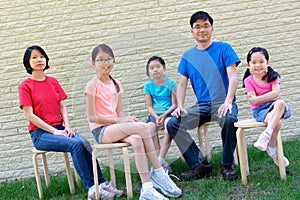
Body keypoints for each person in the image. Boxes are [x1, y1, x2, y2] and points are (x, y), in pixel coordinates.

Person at [18, 45, 123, 199]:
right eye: (34, 57)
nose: (39, 60)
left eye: (41, 56)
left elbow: (62, 105)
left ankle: (101, 184)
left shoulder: (53, 82)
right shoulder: (25, 86)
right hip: (40, 134)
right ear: (28, 62)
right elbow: (30, 115)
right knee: (75, 144)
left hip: (60, 128)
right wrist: (54, 131)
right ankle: (92, 189)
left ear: (46, 59)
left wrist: (67, 126)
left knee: (85, 143)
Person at [84, 44, 182, 200]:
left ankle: (147, 188)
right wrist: (120, 121)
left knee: (137, 140)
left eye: (108, 59)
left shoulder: (116, 84)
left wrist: (127, 120)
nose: (105, 63)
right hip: (101, 131)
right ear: (93, 63)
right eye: (100, 60)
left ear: (114, 62)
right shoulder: (92, 86)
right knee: (144, 127)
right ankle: (159, 173)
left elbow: (120, 112)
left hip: (115, 127)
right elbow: (92, 118)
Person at [166, 11, 240, 180]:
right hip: (202, 106)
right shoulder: (187, 57)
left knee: (230, 121)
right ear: (192, 31)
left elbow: (233, 76)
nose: (202, 30)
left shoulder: (224, 48)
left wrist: (229, 101)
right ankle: (199, 165)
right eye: (197, 27)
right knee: (173, 123)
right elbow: (182, 83)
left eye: (205, 25)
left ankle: (227, 164)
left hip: (222, 103)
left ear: (212, 28)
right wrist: (180, 106)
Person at [243, 47, 290, 167]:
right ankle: (272, 149)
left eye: (261, 62)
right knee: (277, 122)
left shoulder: (273, 76)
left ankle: (265, 136)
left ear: (267, 63)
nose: (257, 65)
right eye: (253, 62)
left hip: (275, 107)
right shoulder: (248, 81)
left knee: (280, 103)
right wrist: (272, 96)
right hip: (260, 111)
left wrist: (258, 99)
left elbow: (273, 95)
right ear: (248, 65)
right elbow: (273, 95)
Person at [144, 56, 177, 174]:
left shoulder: (171, 83)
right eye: (152, 68)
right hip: (155, 115)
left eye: (158, 67)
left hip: (169, 113)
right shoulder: (148, 86)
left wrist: (164, 115)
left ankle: (160, 159)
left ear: (164, 68)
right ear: (149, 71)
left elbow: (174, 104)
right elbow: (149, 107)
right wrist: (157, 117)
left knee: (169, 128)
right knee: (148, 130)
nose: (155, 70)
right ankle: (161, 166)